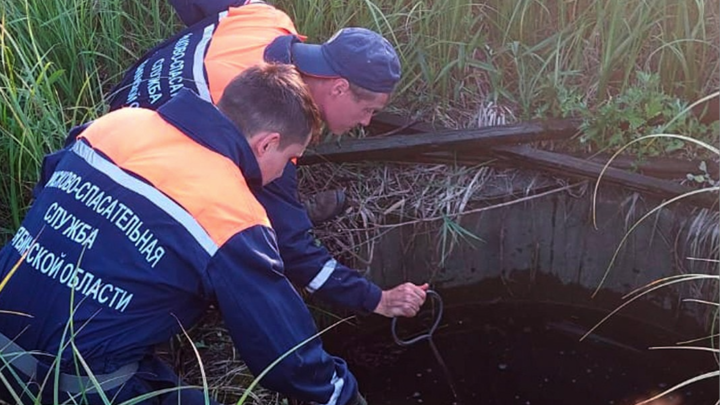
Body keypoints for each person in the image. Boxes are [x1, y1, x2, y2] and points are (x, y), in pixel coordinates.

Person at [0, 64, 364, 405]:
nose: (282, 172)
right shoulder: (232, 214)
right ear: (267, 143)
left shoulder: (119, 124)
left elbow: (49, 183)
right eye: (289, 159)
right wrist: (342, 394)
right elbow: (286, 356)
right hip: (77, 384)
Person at [105, 0, 428, 319]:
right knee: (229, 240)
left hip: (119, 109)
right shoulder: (267, 128)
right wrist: (377, 300)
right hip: (129, 165)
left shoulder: (266, 18)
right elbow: (296, 253)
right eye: (369, 110)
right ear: (340, 88)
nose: (367, 123)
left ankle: (283, 212)